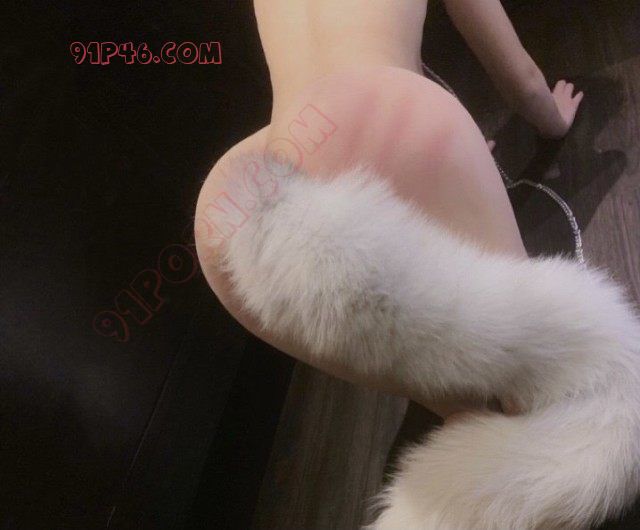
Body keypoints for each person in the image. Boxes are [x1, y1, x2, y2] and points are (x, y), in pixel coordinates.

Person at [194, 0, 584, 420]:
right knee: (539, 373)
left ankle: (467, 414)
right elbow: (524, 82)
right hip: (385, 107)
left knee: (465, 411)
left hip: (248, 195)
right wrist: (555, 121)